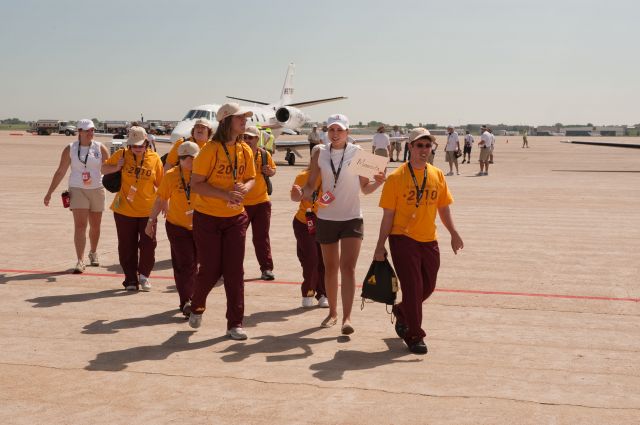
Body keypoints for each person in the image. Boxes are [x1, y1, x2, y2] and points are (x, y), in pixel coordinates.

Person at [373, 127, 464, 354]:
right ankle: (414, 334)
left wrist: (454, 233)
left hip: (429, 239)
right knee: (413, 288)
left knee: (428, 286)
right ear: (410, 147)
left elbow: (443, 207)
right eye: (419, 145)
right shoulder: (396, 178)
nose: (424, 149)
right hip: (402, 238)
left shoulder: (437, 174)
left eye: (427, 145)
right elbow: (388, 216)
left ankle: (403, 311)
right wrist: (379, 246)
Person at [298, 113, 385, 335]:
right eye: (331, 130)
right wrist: (302, 193)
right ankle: (332, 312)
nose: (335, 134)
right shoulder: (320, 152)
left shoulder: (359, 153)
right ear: (327, 132)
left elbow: (364, 189)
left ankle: (347, 317)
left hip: (352, 217)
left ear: (347, 132)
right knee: (330, 268)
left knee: (348, 268)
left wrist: (378, 182)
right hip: (326, 217)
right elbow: (309, 184)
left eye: (340, 130)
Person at [188, 103, 256, 340]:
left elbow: (251, 178)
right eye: (240, 118)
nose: (244, 122)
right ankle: (196, 305)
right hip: (207, 218)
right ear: (227, 121)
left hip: (235, 218)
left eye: (245, 118)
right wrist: (225, 194)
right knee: (210, 269)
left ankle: (235, 323)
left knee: (235, 271)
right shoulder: (209, 150)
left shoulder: (245, 149)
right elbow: (195, 184)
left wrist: (243, 190)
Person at [44, 119, 110, 273]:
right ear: (79, 131)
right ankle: (80, 260)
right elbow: (61, 171)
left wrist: (119, 167)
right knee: (80, 226)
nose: (90, 133)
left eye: (92, 130)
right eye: (87, 130)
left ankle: (93, 252)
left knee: (95, 226)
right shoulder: (71, 149)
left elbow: (107, 168)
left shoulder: (100, 148)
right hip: (77, 189)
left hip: (97, 188)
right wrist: (49, 192)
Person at [102, 126, 164, 291]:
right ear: (129, 144)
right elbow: (103, 169)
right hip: (124, 210)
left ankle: (144, 276)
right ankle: (130, 279)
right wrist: (117, 167)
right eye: (134, 145)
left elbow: (162, 184)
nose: (137, 148)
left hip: (147, 211)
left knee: (148, 245)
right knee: (126, 246)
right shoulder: (121, 154)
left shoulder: (155, 158)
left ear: (146, 143)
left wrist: (166, 203)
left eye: (141, 145)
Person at [145, 141, 200, 317]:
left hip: (201, 226)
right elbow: (160, 199)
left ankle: (190, 298)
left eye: (191, 158)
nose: (188, 161)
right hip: (177, 226)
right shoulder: (171, 175)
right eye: (184, 158)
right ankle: (187, 301)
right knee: (186, 264)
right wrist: (150, 221)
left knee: (194, 265)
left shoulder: (203, 174)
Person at [290, 147, 329, 309]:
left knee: (324, 262)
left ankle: (323, 294)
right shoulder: (303, 176)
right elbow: (294, 197)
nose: (320, 162)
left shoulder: (329, 178)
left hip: (324, 223)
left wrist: (321, 202)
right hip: (303, 223)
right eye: (317, 158)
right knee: (311, 259)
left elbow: (332, 198)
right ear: (312, 160)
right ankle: (308, 291)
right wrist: (297, 194)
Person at [241, 126, 277, 281]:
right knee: (236, 239)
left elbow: (273, 170)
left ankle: (266, 268)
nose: (247, 140)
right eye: (245, 137)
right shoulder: (238, 154)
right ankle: (233, 269)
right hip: (241, 204)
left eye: (250, 138)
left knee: (261, 238)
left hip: (262, 202)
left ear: (257, 139)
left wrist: (269, 171)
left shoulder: (264, 154)